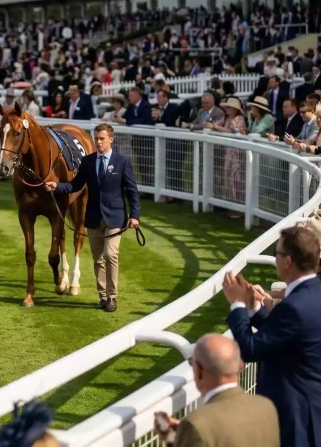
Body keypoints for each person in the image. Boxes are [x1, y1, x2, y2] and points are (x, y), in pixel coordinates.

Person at [223, 225, 321, 447]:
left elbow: (249, 349)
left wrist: (237, 304)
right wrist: (253, 307)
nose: (276, 259)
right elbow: (288, 333)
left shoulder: (295, 306)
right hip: (314, 415)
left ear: (288, 261)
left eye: (276, 254)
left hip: (295, 423)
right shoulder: (317, 294)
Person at [45, 124, 140, 312]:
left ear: (111, 139)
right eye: (96, 138)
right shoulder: (88, 162)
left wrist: (134, 215)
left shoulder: (122, 161)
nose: (98, 141)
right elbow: (75, 185)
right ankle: (102, 297)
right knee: (98, 259)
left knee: (110, 254)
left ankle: (112, 297)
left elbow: (132, 191)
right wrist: (56, 186)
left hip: (116, 216)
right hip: (94, 217)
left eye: (102, 138)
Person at [155, 334, 279, 447]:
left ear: (199, 370)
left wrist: (176, 436)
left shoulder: (197, 425)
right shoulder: (266, 407)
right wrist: (185, 434)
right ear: (240, 365)